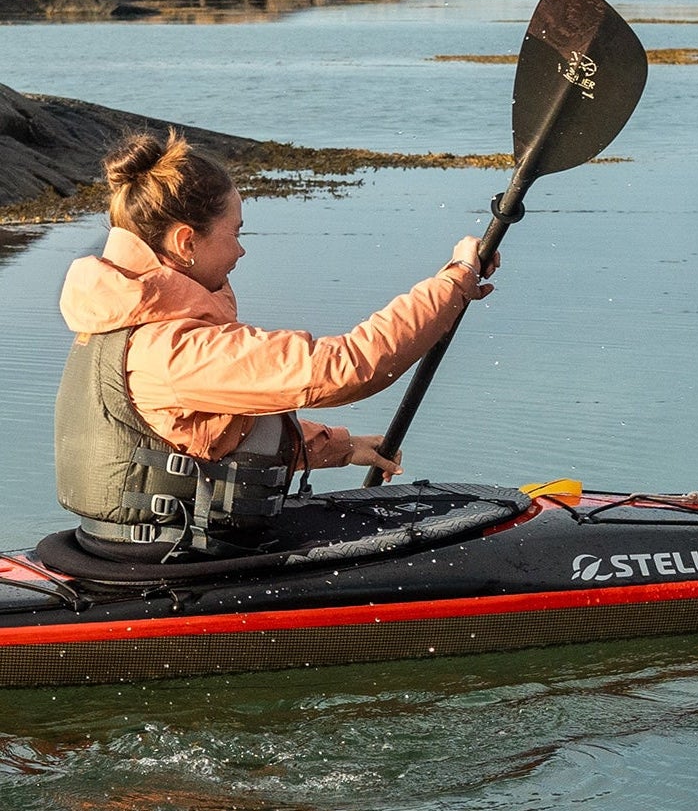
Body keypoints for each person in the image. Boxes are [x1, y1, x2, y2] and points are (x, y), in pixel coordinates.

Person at [55, 130, 495, 556]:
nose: (241, 252)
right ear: (187, 241)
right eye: (236, 233)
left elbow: (207, 437)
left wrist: (342, 447)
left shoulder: (119, 320)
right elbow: (345, 367)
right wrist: (455, 280)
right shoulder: (173, 349)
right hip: (176, 560)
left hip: (142, 543)